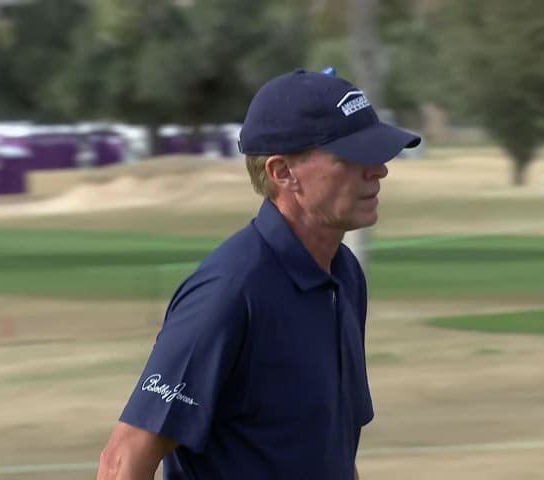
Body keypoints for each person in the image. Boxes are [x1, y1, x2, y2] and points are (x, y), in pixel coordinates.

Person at [96, 68, 421, 480]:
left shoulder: (344, 275)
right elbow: (122, 461)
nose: (378, 170)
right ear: (282, 172)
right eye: (351, 156)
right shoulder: (230, 293)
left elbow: (330, 449)